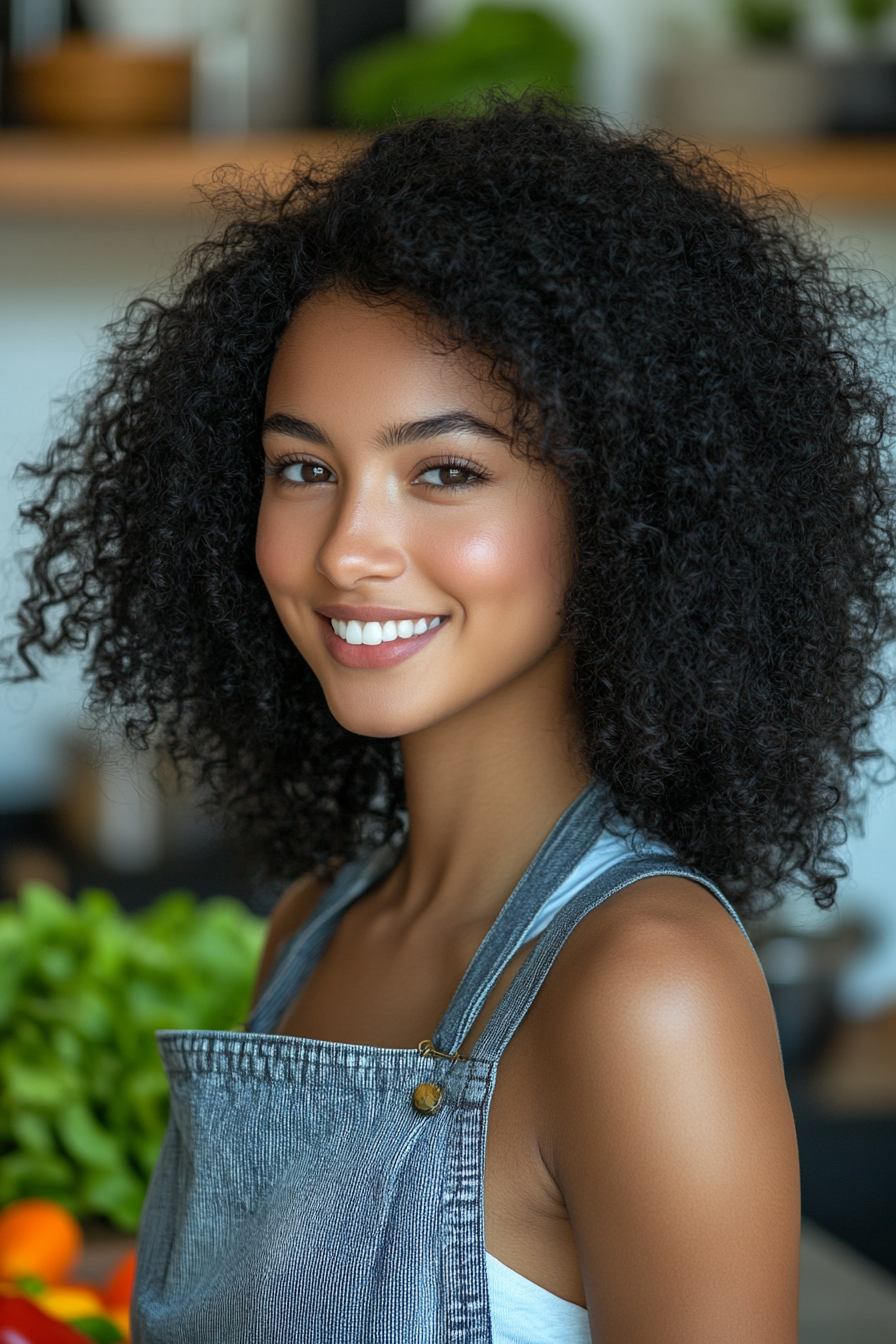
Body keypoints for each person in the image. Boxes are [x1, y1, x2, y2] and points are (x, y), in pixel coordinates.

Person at [13, 99, 895, 1342]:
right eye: (302, 468)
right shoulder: (313, 928)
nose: (347, 550)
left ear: (622, 509)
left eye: (445, 471)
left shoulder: (643, 986)